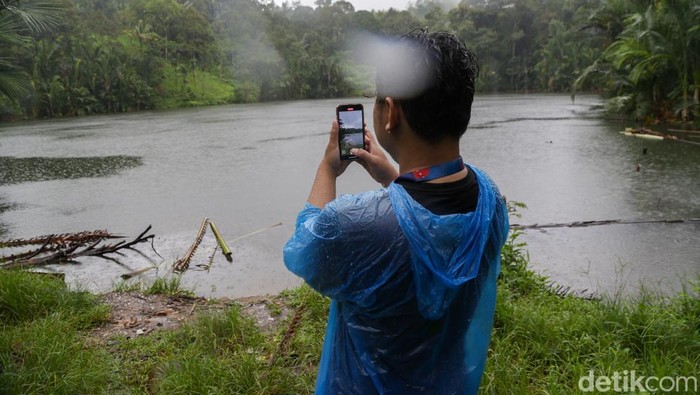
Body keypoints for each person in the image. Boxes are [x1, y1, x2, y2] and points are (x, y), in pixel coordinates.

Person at [283, 29, 509, 394]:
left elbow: (306, 245)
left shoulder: (354, 227)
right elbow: (432, 221)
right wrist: (393, 175)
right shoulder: (491, 202)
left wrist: (328, 169)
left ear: (390, 112)